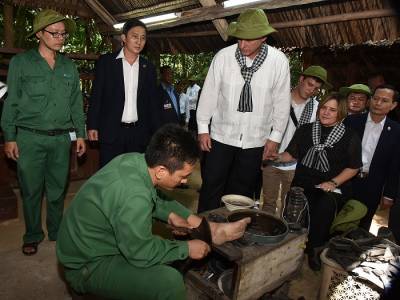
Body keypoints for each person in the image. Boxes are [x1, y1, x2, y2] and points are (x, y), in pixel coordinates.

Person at [56, 124, 250, 300]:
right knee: (169, 281)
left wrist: (171, 215)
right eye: (183, 176)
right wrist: (186, 249)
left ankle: (206, 227)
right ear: (161, 171)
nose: (185, 182)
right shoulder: (134, 196)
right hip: (86, 265)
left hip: (88, 244)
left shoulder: (133, 160)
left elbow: (151, 197)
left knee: (164, 204)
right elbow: (140, 252)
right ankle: (208, 230)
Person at [1, 9, 86, 255]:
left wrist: (79, 133)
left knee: (58, 189)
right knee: (31, 190)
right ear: (39, 33)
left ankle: (57, 230)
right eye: (54, 33)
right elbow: (11, 101)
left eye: (63, 34)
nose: (60, 38)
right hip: (29, 138)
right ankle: (32, 234)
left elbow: (75, 103)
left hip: (61, 139)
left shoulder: (69, 66)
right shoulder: (21, 63)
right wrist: (10, 137)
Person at [196, 8, 291, 213]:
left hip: (255, 140)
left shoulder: (278, 62)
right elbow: (209, 93)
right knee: (211, 186)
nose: (242, 44)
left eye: (249, 39)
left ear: (264, 37)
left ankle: (233, 233)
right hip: (220, 136)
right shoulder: (223, 57)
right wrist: (203, 127)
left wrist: (275, 137)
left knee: (241, 192)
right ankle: (203, 231)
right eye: (240, 38)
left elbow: (282, 103)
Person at [272, 93, 362, 270]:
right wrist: (275, 157)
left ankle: (314, 250)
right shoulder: (305, 130)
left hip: (329, 187)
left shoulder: (349, 136)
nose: (326, 112)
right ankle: (289, 250)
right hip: (302, 182)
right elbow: (290, 154)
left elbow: (354, 167)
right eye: (323, 108)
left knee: (323, 210)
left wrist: (334, 183)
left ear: (341, 113)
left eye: (332, 110)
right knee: (293, 216)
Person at [87, 19, 159, 168]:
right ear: (124, 38)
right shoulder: (106, 62)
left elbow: (153, 103)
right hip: (111, 131)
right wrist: (92, 125)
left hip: (139, 133)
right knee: (109, 176)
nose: (139, 41)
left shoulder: (148, 67)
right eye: (134, 36)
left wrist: (157, 133)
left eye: (143, 37)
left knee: (134, 175)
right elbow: (97, 95)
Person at [262, 65, 330, 216]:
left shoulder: (317, 109)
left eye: (316, 88)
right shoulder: (279, 100)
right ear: (301, 79)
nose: (311, 90)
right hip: (271, 160)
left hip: (296, 166)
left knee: (290, 208)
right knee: (268, 204)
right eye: (309, 84)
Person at [344, 84, 400, 231]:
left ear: (393, 105)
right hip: (346, 180)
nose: (378, 103)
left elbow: (395, 165)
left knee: (362, 226)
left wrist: (389, 195)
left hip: (372, 185)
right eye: (376, 98)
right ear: (370, 100)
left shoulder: (396, 131)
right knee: (338, 219)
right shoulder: (352, 122)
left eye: (384, 100)